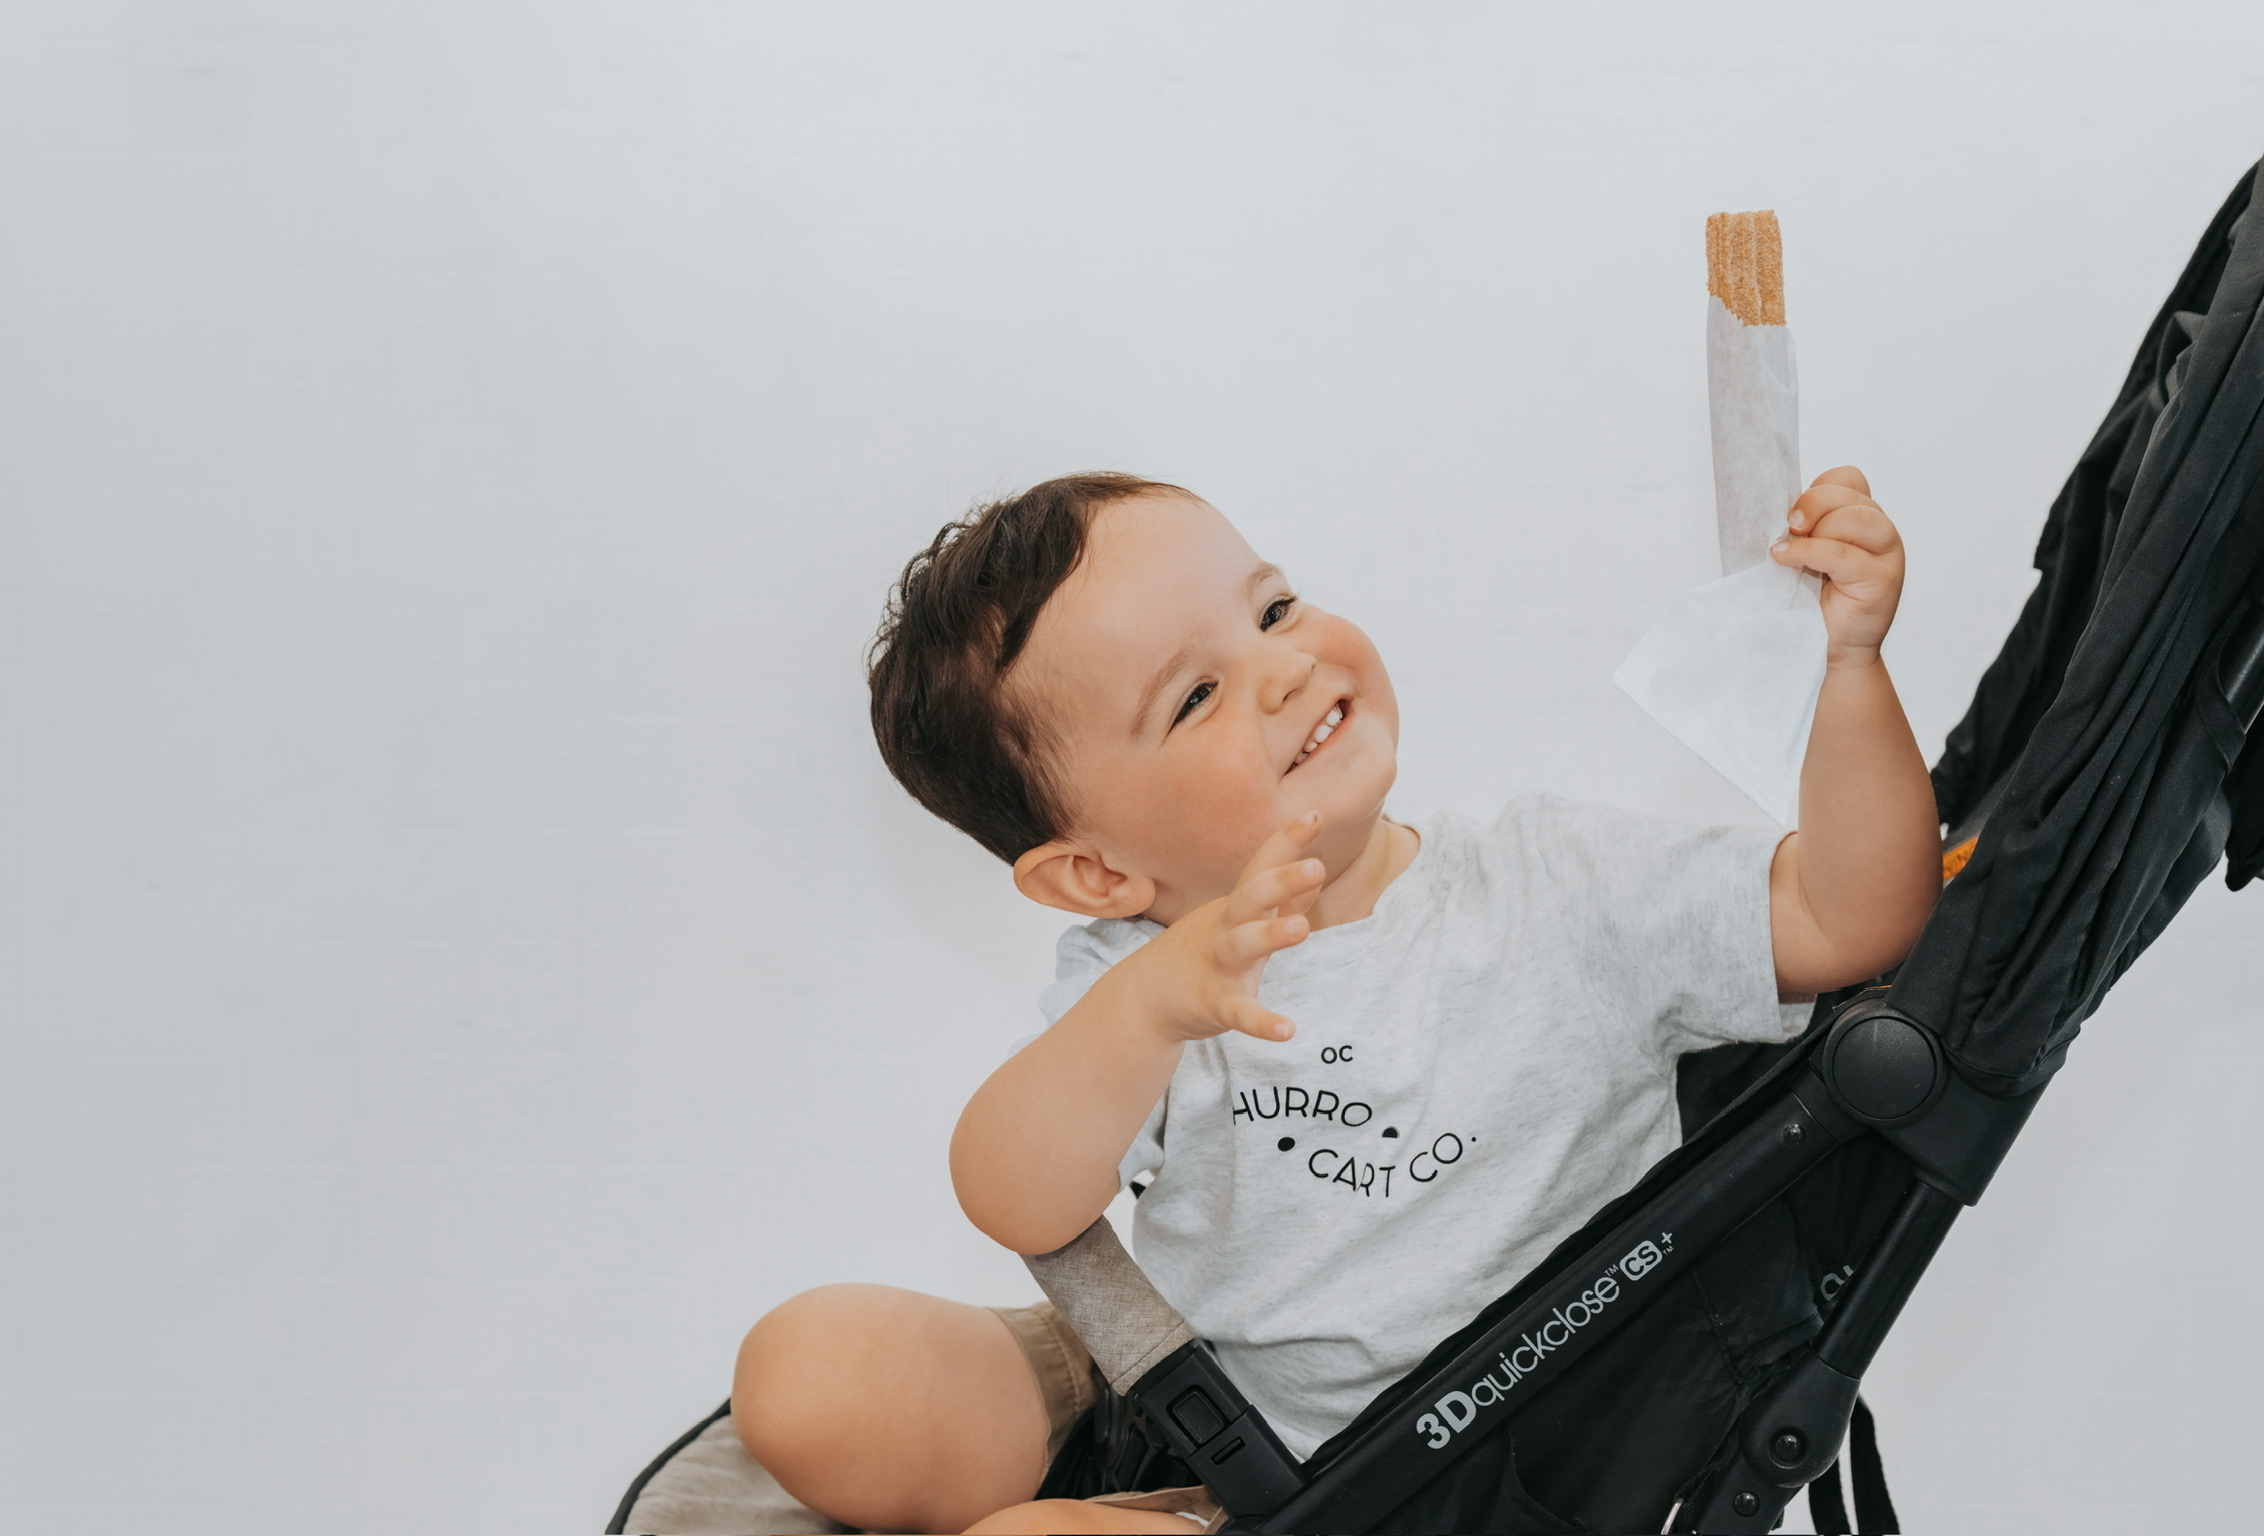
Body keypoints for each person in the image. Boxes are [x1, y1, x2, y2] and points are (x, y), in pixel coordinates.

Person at [731, 470, 1941, 1534]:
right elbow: (1015, 1196)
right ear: (1100, 876)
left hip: (1402, 1480)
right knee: (804, 1372)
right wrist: (1154, 1006)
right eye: (1196, 696)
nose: (1286, 666)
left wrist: (1849, 669)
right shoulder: (1142, 974)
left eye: (1272, 608)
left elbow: (1851, 916)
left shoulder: (1557, 887)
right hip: (1195, 1400)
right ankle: (1072, 1460)